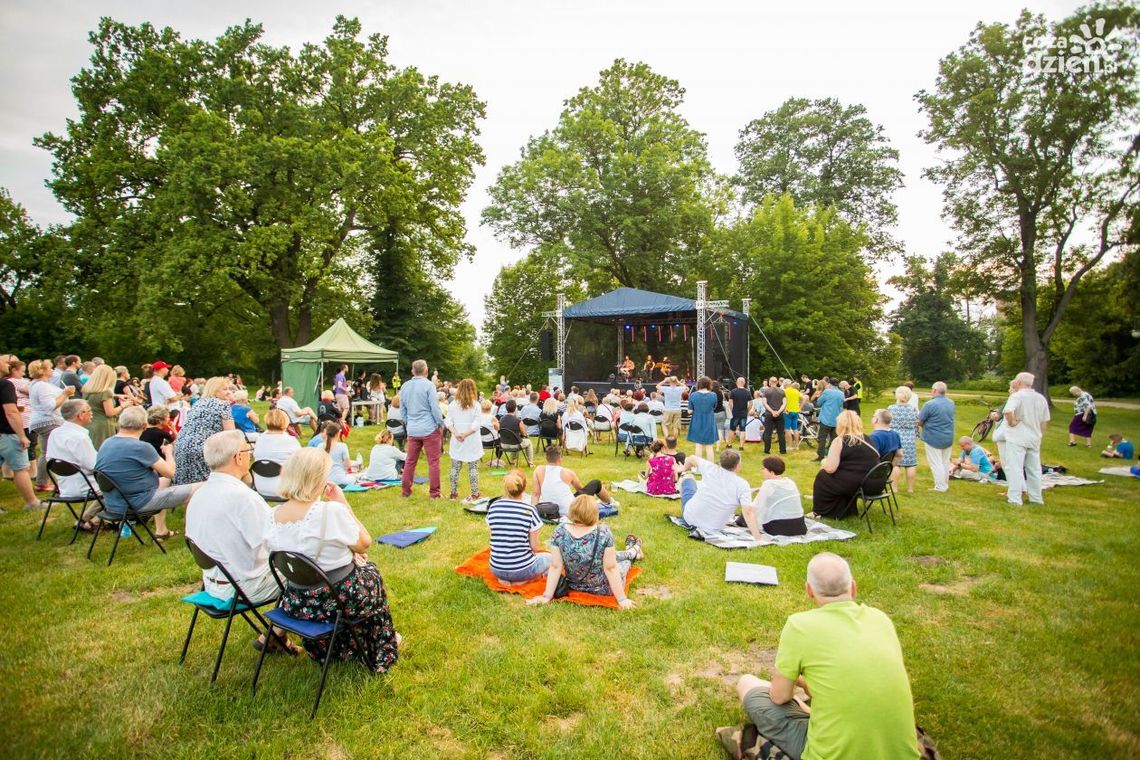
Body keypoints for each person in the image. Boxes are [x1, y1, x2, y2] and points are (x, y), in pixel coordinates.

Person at [734, 553, 921, 760]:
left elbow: (779, 696)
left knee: (747, 683)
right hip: (900, 754)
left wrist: (799, 682)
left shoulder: (799, 626)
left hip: (830, 754)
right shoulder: (881, 619)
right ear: (853, 587)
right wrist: (806, 684)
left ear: (809, 590)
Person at [265, 448, 399, 672]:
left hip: (296, 601)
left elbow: (300, 554)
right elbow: (365, 542)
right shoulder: (330, 512)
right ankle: (380, 643)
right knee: (371, 574)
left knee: (357, 568)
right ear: (318, 479)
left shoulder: (272, 515)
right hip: (336, 601)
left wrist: (348, 555)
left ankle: (342, 646)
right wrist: (343, 503)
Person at [183, 431, 300, 653]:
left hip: (214, 581)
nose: (250, 456)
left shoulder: (199, 494)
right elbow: (276, 541)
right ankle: (276, 634)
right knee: (315, 568)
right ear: (238, 457)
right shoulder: (242, 497)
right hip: (242, 585)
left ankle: (276, 635)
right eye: (248, 451)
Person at [94, 405, 198, 539]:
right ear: (144, 425)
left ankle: (161, 531)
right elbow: (171, 473)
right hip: (138, 502)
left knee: (164, 481)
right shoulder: (140, 447)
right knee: (201, 486)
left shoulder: (107, 443)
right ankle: (194, 533)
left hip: (114, 502)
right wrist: (168, 452)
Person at [529, 494, 643, 609]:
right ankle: (633, 552)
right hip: (603, 588)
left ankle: (633, 551)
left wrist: (547, 596)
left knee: (610, 556)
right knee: (622, 563)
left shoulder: (560, 532)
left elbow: (555, 566)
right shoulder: (603, 533)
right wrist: (622, 599)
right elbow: (611, 568)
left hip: (574, 585)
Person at [812, 410, 885, 519]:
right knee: (841, 476)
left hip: (859, 485)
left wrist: (823, 461)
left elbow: (831, 468)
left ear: (840, 424)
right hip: (876, 483)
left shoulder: (839, 441)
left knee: (822, 476)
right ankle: (847, 509)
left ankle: (821, 511)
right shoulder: (867, 438)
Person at [45, 399, 103, 526]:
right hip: (85, 485)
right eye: (89, 411)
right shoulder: (79, 437)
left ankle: (85, 519)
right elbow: (94, 466)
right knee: (121, 484)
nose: (92, 413)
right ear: (80, 415)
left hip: (63, 485)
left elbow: (49, 459)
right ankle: (97, 520)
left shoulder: (55, 433)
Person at [997, 372, 1050, 506]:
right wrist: (1040, 434)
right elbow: (1044, 421)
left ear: (1019, 382)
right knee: (1034, 469)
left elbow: (1008, 411)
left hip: (1017, 437)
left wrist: (1012, 422)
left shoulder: (1017, 396)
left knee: (1015, 468)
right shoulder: (1040, 398)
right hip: (1034, 437)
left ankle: (1015, 498)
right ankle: (1036, 498)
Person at [486, 469, 548, 584]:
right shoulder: (530, 510)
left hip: (496, 568)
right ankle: (521, 580)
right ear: (524, 487)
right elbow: (535, 547)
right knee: (551, 558)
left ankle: (506, 578)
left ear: (505, 487)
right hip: (523, 569)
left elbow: (495, 537)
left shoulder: (493, 507)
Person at [173, 377, 237, 486]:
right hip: (202, 449)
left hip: (181, 447)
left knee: (188, 488)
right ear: (214, 390)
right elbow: (231, 434)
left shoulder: (198, 403)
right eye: (224, 389)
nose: (228, 392)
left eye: (229, 389)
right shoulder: (222, 404)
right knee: (208, 485)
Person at [678, 449, 755, 538]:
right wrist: (758, 537)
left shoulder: (710, 468)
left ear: (720, 463)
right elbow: (748, 512)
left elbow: (691, 458)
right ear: (738, 466)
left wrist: (683, 469)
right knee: (692, 484)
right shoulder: (742, 485)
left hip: (690, 518)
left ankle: (684, 477)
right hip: (713, 527)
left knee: (688, 478)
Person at [0, 354, 41, 511]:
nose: (8, 365)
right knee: (21, 469)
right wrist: (21, 435)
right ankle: (32, 503)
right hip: (7, 432)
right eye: (5, 362)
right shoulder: (5, 384)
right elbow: (11, 411)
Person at [399, 359, 444, 499]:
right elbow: (435, 408)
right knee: (433, 462)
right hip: (429, 428)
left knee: (410, 462)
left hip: (413, 429)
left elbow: (402, 409)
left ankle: (406, 491)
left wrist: (408, 424)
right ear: (426, 370)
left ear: (413, 371)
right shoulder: (429, 385)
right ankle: (434, 494)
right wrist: (440, 423)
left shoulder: (405, 386)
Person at [29, 358, 74, 492]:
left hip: (43, 421)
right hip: (49, 421)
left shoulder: (36, 384)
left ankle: (42, 482)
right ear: (42, 371)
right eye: (49, 368)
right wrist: (65, 394)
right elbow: (50, 406)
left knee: (46, 452)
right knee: (52, 452)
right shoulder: (42, 386)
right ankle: (48, 482)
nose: (52, 370)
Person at [532, 445, 613, 518]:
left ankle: (606, 501)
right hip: (572, 510)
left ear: (546, 457)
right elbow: (580, 489)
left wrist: (534, 512)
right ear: (560, 457)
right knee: (596, 483)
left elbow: (536, 494)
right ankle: (609, 502)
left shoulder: (538, 470)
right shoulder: (567, 472)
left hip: (549, 510)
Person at [83, 364, 136, 450]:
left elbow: (98, 397)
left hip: (90, 423)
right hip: (104, 426)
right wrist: (123, 405)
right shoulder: (106, 392)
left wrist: (116, 396)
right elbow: (110, 412)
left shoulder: (87, 389)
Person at [446, 378, 482, 503]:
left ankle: (453, 493)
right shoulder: (476, 405)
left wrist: (457, 434)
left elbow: (448, 422)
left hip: (459, 439)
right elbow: (476, 424)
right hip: (471, 439)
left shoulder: (453, 405)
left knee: (455, 468)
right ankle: (475, 493)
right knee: (473, 468)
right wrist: (462, 434)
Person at [252, 409, 301, 498]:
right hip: (285, 488)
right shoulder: (290, 441)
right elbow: (302, 462)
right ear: (285, 422)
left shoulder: (259, 440)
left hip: (260, 486)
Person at [752, 456, 806, 536]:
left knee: (748, 513)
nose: (762, 471)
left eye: (764, 468)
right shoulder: (790, 482)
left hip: (779, 528)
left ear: (771, 472)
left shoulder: (768, 484)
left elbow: (757, 506)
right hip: (799, 526)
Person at [918, 381, 956, 493]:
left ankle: (940, 486)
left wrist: (923, 425)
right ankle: (944, 484)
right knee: (945, 462)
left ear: (934, 390)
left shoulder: (929, 404)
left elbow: (920, 421)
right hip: (948, 436)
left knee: (936, 463)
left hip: (933, 437)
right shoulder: (951, 403)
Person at [887, 387, 919, 495]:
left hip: (895, 437)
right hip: (909, 438)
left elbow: (887, 423)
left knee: (895, 464)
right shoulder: (913, 409)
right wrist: (916, 435)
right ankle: (910, 489)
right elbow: (916, 424)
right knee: (911, 464)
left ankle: (894, 488)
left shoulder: (891, 408)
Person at [813, 378, 846, 462]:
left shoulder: (827, 391)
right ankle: (833, 455)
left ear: (830, 384)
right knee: (834, 439)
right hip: (836, 419)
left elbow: (819, 403)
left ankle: (820, 456)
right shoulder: (842, 393)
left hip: (826, 418)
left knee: (822, 438)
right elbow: (841, 406)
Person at [687, 376, 718, 460]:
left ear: (699, 384)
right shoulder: (713, 395)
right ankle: (710, 466)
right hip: (709, 421)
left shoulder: (693, 395)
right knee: (709, 446)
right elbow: (714, 407)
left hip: (697, 421)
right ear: (709, 384)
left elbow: (689, 411)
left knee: (698, 445)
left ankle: (698, 466)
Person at [318, 420, 356, 487]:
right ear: (338, 433)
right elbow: (348, 465)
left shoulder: (320, 446)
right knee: (353, 477)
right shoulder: (342, 446)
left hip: (325, 480)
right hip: (339, 480)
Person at [760, 376, 787, 456]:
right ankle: (783, 450)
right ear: (777, 382)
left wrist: (772, 411)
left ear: (769, 382)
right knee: (781, 433)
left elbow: (764, 403)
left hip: (769, 414)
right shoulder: (782, 391)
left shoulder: (766, 391)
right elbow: (784, 403)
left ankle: (767, 450)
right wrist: (778, 411)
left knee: (768, 432)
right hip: (779, 414)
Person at [726, 377, 752, 450]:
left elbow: (730, 403)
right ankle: (741, 446)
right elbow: (751, 403)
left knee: (732, 429)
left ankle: (729, 444)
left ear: (737, 382)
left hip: (735, 413)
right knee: (743, 430)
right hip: (744, 414)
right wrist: (747, 411)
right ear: (744, 383)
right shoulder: (747, 392)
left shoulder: (733, 391)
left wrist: (732, 410)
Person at [784, 381, 802, 450]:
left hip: (788, 411)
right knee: (795, 429)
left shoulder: (786, 391)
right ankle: (797, 446)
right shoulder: (796, 391)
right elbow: (804, 398)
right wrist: (800, 407)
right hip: (796, 411)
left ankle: (789, 446)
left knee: (787, 429)